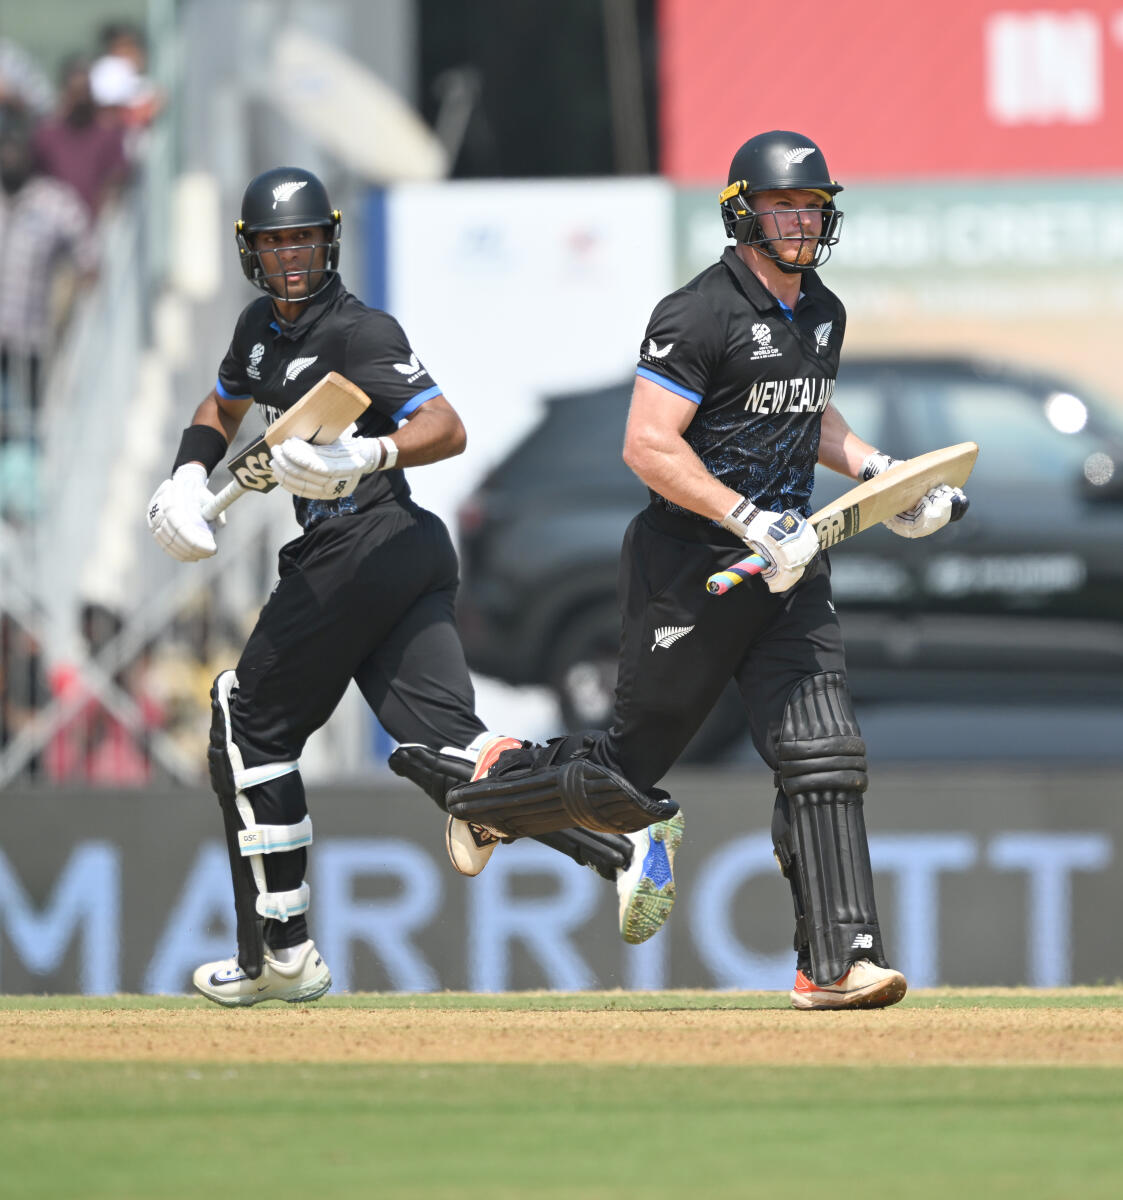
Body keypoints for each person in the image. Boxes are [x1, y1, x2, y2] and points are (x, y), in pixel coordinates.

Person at [444, 131, 970, 1011]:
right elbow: (647, 445)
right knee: (629, 768)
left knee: (824, 752)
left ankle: (836, 963)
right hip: (691, 567)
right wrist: (746, 518)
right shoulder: (695, 313)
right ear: (741, 214)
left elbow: (809, 413)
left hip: (788, 568)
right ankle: (496, 792)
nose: (799, 222)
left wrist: (883, 477)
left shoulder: (822, 311)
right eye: (780, 207)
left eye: (811, 207)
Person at [145, 166, 682, 1007]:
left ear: (329, 242)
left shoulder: (358, 331)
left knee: (246, 723)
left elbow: (444, 425)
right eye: (277, 243)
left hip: (363, 543)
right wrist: (186, 477)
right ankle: (627, 829)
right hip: (394, 556)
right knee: (452, 758)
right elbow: (222, 406)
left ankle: (280, 955)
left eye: (305, 239)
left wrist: (366, 452)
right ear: (251, 252)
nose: (293, 257)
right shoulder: (256, 331)